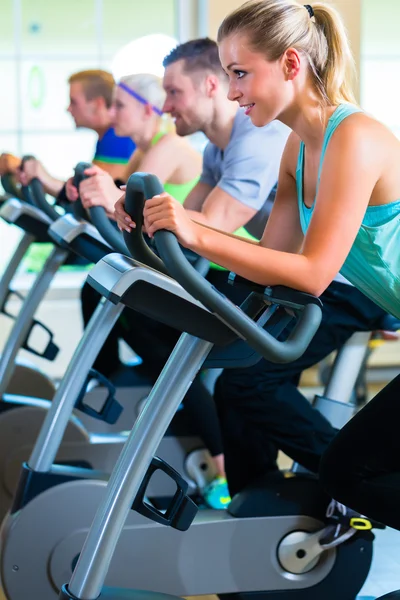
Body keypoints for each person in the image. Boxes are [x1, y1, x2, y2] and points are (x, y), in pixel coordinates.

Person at [140, 2, 400, 586]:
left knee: (352, 473)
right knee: (346, 470)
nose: (232, 93)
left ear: (289, 63)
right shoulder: (295, 147)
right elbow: (271, 269)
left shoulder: (353, 136)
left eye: (239, 73)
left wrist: (191, 228)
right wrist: (164, 234)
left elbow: (311, 272)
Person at [107, 38, 290, 509]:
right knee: (233, 382)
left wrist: (151, 213)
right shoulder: (216, 149)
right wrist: (138, 215)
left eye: (173, 93)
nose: (165, 107)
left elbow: (216, 223)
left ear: (210, 85)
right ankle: (257, 499)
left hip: (326, 283)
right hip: (280, 277)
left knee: (243, 382)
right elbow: (191, 218)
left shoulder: (257, 137)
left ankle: (324, 486)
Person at [69, 72, 201, 215]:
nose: (111, 113)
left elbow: (132, 208)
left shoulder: (171, 146)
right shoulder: (140, 152)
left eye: (119, 106)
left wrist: (101, 187)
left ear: (147, 111)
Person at [7, 70, 135, 197]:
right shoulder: (106, 137)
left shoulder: (118, 137)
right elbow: (80, 195)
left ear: (97, 104)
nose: (68, 108)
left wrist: (42, 175)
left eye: (73, 102)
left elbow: (94, 197)